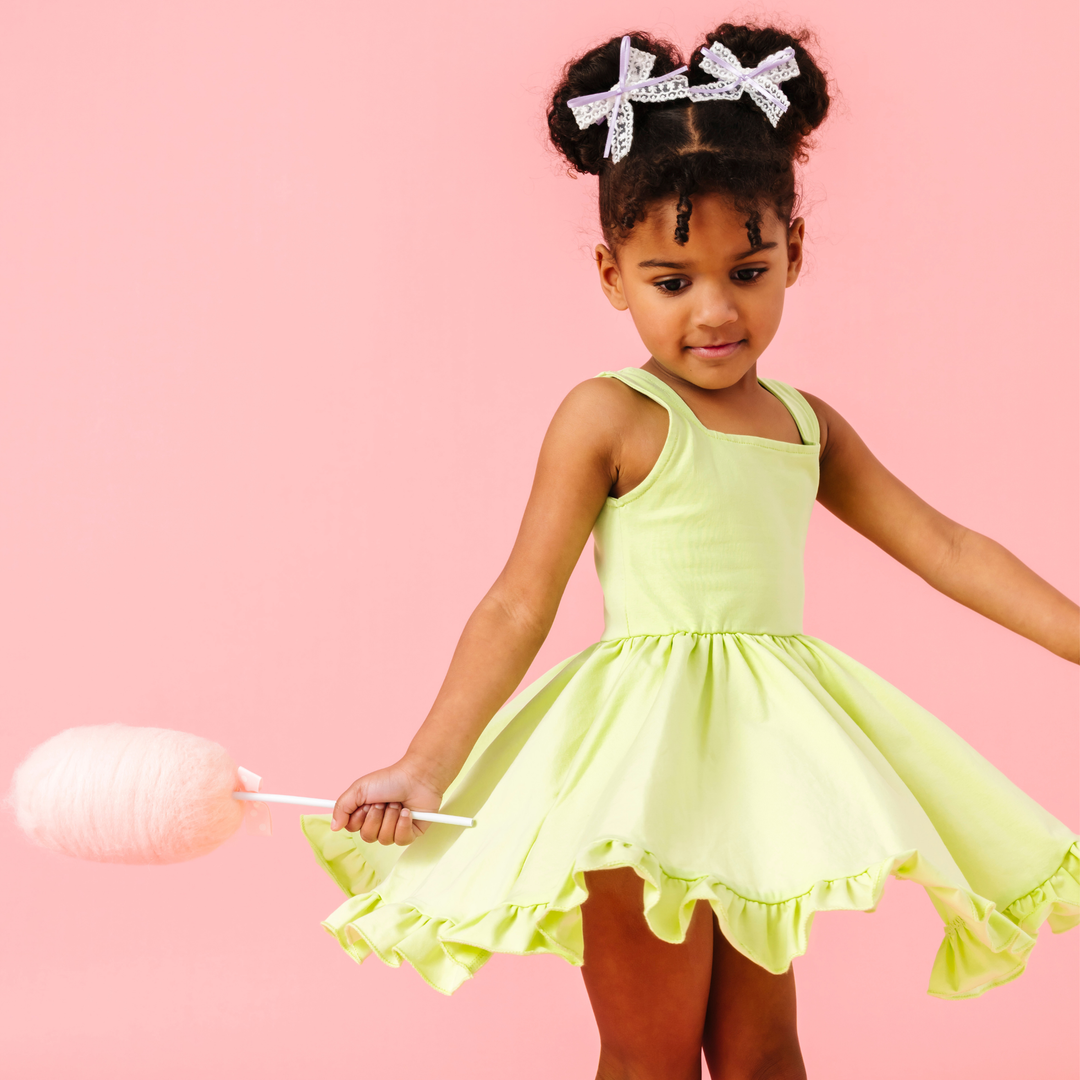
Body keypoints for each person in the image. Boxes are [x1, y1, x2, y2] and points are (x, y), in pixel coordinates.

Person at [302, 24, 1079, 1080]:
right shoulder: (607, 416)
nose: (716, 311)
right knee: (651, 1050)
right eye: (672, 281)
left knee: (764, 1051)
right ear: (612, 275)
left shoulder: (809, 425)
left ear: (794, 254)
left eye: (748, 270)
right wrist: (424, 762)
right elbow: (517, 603)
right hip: (640, 767)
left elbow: (947, 546)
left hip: (766, 764)